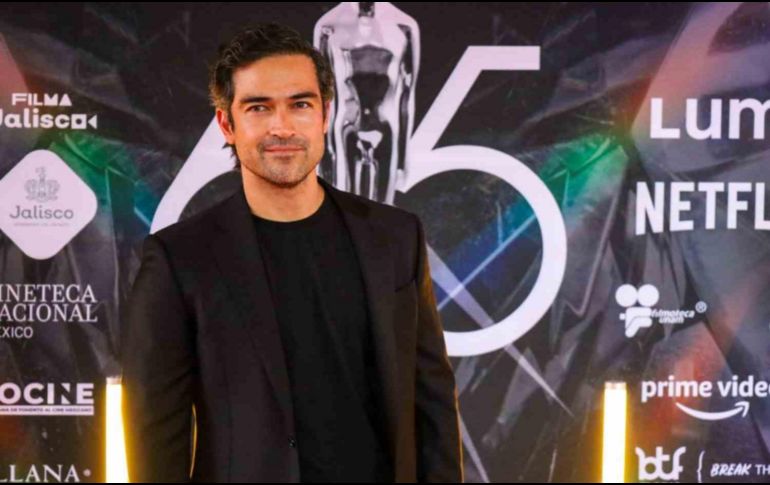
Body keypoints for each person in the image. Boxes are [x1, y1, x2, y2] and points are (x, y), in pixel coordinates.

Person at [120, 22, 463, 483]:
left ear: (325, 115)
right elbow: (156, 432)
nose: (281, 126)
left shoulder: (396, 237)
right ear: (227, 124)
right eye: (259, 107)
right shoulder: (179, 259)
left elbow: (432, 402)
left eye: (300, 104)